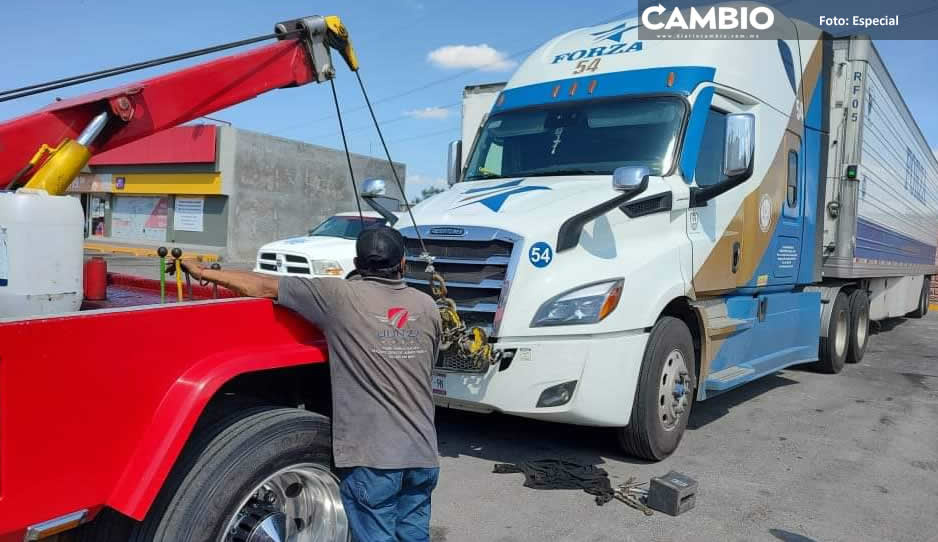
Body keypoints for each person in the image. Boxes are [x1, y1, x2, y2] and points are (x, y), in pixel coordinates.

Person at [179, 225, 442, 542]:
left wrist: (202, 270)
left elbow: (262, 285)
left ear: (357, 265)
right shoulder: (427, 306)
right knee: (413, 536)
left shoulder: (338, 297)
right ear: (402, 264)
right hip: (422, 454)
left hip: (374, 459)